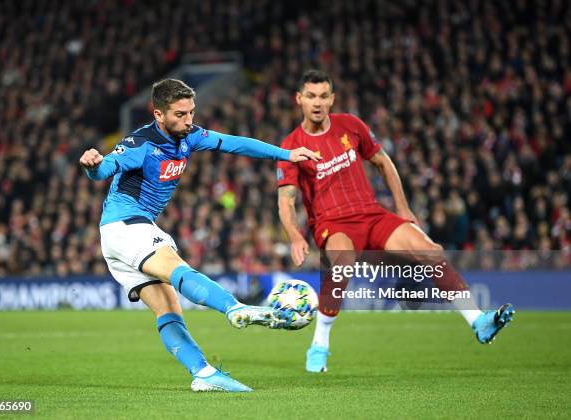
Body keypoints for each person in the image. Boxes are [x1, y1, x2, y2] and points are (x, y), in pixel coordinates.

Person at [80, 78, 320, 392]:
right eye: (180, 114)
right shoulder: (141, 145)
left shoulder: (189, 136)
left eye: (191, 112)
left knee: (168, 309)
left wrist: (286, 154)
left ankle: (203, 373)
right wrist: (92, 165)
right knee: (177, 267)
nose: (189, 120)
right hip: (126, 226)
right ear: (159, 115)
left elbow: (235, 143)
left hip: (122, 235)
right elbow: (106, 167)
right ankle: (234, 308)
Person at [277, 70, 515, 373]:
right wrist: (296, 237)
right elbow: (286, 199)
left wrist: (403, 209)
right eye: (311, 96)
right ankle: (319, 345)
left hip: (372, 214)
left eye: (324, 96)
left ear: (332, 98)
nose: (318, 102)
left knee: (429, 250)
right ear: (299, 99)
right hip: (332, 222)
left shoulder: (351, 125)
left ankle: (478, 321)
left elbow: (383, 163)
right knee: (342, 262)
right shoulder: (291, 145)